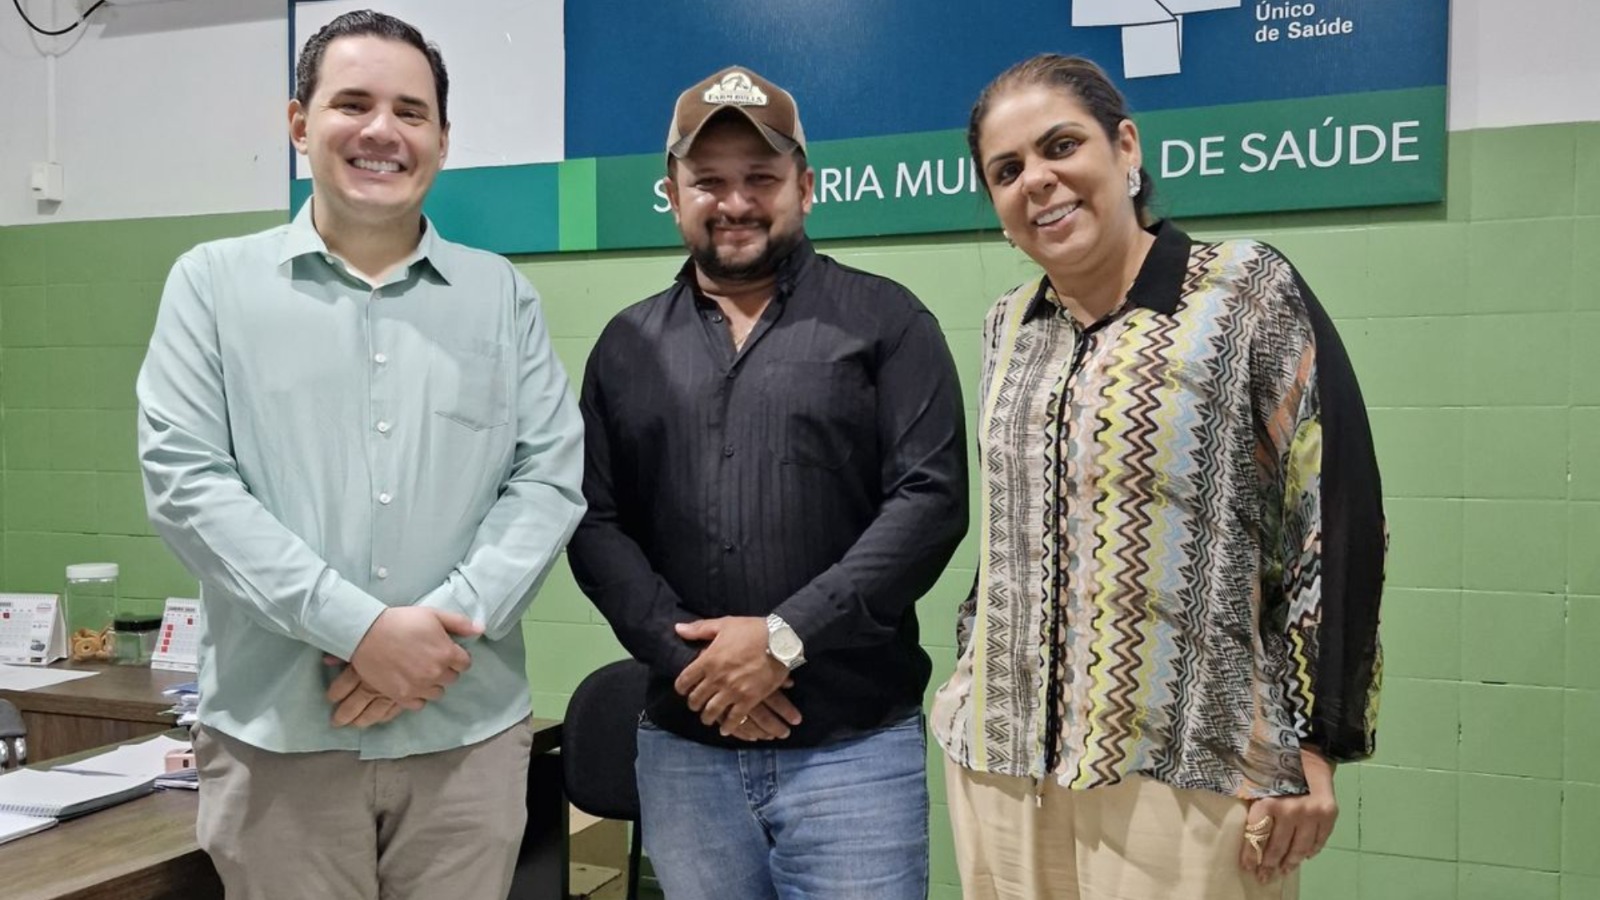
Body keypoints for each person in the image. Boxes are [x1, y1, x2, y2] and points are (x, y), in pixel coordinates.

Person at [136, 11, 585, 899]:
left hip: (464, 740)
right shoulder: (211, 285)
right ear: (298, 124)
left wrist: (437, 636)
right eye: (352, 104)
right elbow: (189, 485)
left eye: (411, 112)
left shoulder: (500, 296)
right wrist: (363, 633)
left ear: (443, 140)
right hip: (277, 745)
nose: (383, 131)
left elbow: (547, 479)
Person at [929, 54, 1385, 900]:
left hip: (1191, 770)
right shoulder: (1007, 325)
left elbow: (1333, 513)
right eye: (1007, 170)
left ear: (1126, 147)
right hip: (1001, 765)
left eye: (1060, 145)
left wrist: (1315, 742)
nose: (1037, 180)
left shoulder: (1243, 291)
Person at [567, 66, 968, 900]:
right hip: (685, 751)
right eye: (708, 181)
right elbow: (594, 522)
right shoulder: (624, 346)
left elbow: (930, 503)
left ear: (805, 187)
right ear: (672, 194)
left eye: (760, 178)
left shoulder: (888, 323)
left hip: (854, 755)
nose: (735, 202)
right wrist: (699, 667)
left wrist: (785, 637)